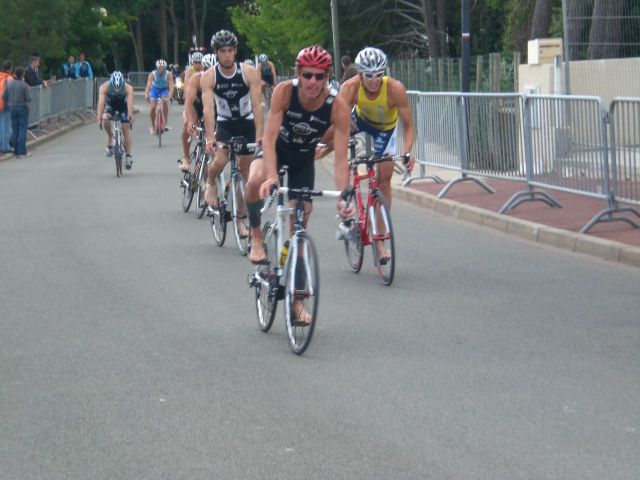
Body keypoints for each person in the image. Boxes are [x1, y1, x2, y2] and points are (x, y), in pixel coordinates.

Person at [318, 47, 415, 261]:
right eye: (368, 75)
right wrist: (330, 145)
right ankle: (314, 150)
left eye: (379, 74)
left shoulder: (395, 89)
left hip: (385, 130)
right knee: (329, 136)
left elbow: (409, 126)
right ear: (360, 73)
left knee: (384, 181)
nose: (373, 80)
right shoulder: (350, 87)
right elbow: (339, 122)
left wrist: (408, 151)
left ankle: (379, 238)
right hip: (359, 121)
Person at [201, 29, 264, 235]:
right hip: (225, 124)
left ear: (235, 51)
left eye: (230, 50)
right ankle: (210, 183)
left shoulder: (249, 72)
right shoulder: (209, 76)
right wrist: (211, 137)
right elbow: (208, 109)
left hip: (246, 124)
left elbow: (257, 106)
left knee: (244, 172)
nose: (226, 55)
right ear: (216, 53)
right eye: (222, 51)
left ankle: (241, 218)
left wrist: (261, 134)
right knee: (219, 161)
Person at [96, 71, 135, 169]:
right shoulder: (104, 87)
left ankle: (128, 156)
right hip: (111, 105)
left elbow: (130, 103)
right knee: (105, 120)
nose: (117, 91)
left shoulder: (128, 88)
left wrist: (130, 115)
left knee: (125, 128)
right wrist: (99, 116)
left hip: (123, 106)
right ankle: (110, 136)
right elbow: (101, 103)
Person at [177, 51, 206, 171]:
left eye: (200, 62)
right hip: (195, 101)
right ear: (193, 63)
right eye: (196, 62)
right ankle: (186, 157)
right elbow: (188, 88)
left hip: (208, 103)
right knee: (187, 126)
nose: (198, 64)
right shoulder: (190, 71)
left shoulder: (208, 70)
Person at [2, 66, 32, 158]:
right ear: (22, 75)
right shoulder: (24, 85)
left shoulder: (9, 84)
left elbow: (4, 96)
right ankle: (22, 151)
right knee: (22, 129)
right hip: (22, 107)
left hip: (12, 108)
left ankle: (16, 151)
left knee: (14, 129)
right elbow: (29, 98)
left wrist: (10, 100)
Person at [144, 59, 174, 135]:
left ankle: (166, 123)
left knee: (165, 103)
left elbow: (171, 86)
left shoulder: (168, 74)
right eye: (160, 68)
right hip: (154, 90)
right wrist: (146, 94)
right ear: (157, 68)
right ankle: (153, 127)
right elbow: (148, 86)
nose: (161, 70)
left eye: (163, 68)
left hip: (164, 90)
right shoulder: (152, 74)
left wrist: (170, 96)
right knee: (153, 107)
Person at [0, 60, 14, 153]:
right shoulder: (9, 78)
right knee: (6, 125)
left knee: (1, 125)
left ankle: (2, 144)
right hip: (5, 103)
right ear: (10, 68)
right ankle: (6, 147)